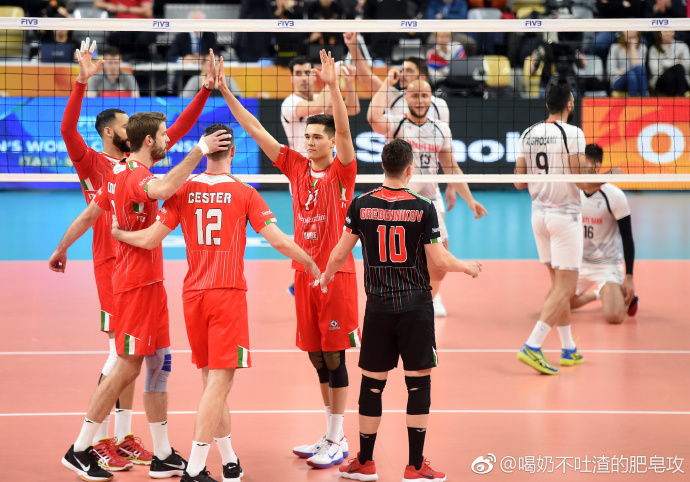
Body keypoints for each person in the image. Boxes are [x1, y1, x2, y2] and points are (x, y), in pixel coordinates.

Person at [110, 122, 322, 482]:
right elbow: (279, 240)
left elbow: (148, 240)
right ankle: (195, 469)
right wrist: (310, 263)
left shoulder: (183, 189)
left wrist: (119, 234)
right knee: (219, 384)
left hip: (193, 296)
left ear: (206, 151)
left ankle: (229, 459)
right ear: (234, 152)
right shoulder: (245, 192)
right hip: (226, 295)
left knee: (212, 382)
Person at [59, 38, 217, 472]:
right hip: (119, 269)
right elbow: (70, 134)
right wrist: (81, 81)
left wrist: (205, 89)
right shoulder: (104, 167)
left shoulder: (134, 165)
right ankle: (91, 443)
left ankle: (152, 449)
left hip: (147, 273)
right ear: (116, 134)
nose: (163, 138)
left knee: (156, 361)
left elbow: (174, 132)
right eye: (126, 125)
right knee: (123, 360)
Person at [217, 50, 359, 469]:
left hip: (336, 275)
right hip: (303, 273)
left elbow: (345, 130)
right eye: (307, 136)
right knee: (316, 356)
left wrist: (333, 88)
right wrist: (225, 91)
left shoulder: (343, 172)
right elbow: (255, 128)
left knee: (336, 357)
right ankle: (331, 434)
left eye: (317, 137)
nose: (309, 141)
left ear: (331, 142)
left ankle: (338, 437)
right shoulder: (295, 166)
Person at [318, 138, 482, 482]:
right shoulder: (424, 207)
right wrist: (465, 266)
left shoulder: (361, 204)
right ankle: (415, 465)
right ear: (410, 169)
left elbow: (339, 253)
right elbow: (439, 260)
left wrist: (326, 277)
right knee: (418, 385)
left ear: (382, 165)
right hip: (415, 309)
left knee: (372, 385)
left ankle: (365, 462)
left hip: (378, 308)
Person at [368, 71, 487, 317]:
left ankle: (425, 302)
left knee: (440, 263)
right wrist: (387, 84)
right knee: (398, 260)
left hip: (429, 202)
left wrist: (470, 200)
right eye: (414, 95)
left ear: (431, 98)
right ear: (406, 98)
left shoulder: (440, 128)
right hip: (398, 202)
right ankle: (397, 304)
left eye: (425, 95)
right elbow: (372, 117)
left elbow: (451, 167)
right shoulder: (396, 124)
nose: (420, 100)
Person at [514, 82, 588, 375]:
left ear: (547, 105)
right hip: (564, 216)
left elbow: (519, 182)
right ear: (570, 104)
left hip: (539, 216)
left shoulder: (527, 133)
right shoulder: (573, 133)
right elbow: (581, 180)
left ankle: (568, 348)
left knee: (559, 286)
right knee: (566, 287)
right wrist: (607, 176)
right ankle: (533, 345)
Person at [571, 144, 638, 323]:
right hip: (579, 264)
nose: (577, 168)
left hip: (607, 266)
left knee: (614, 316)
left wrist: (629, 277)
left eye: (583, 164)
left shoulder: (615, 196)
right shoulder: (573, 191)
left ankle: (614, 292)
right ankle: (598, 294)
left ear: (596, 167)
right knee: (558, 303)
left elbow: (627, 237)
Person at [281, 55, 360, 157]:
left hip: (323, 162)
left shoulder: (318, 98)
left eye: (307, 73)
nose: (304, 78)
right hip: (302, 162)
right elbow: (317, 107)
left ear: (314, 76)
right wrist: (333, 78)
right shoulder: (289, 102)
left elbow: (352, 109)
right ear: (292, 79)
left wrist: (349, 82)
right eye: (298, 74)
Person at [648, 30, 690, 97]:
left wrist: (663, 63)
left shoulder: (683, 46)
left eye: (671, 31)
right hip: (660, 81)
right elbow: (655, 70)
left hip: (681, 79)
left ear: (674, 33)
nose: (668, 33)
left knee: (677, 69)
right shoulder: (653, 49)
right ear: (659, 33)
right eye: (665, 31)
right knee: (671, 74)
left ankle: (678, 98)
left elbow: (687, 67)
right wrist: (678, 61)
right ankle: (682, 96)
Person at [607, 31, 648, 97]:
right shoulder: (614, 48)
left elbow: (639, 68)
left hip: (637, 80)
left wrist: (633, 48)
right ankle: (638, 101)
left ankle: (643, 100)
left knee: (638, 70)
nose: (630, 31)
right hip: (618, 81)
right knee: (631, 74)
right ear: (623, 32)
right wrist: (627, 72)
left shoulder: (643, 48)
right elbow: (611, 70)